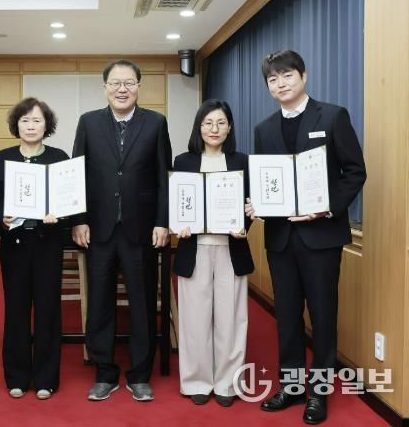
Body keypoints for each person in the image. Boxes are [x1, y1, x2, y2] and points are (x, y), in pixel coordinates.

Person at [246, 49, 366, 425]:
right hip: (280, 238)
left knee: (323, 315)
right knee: (286, 316)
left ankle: (319, 392)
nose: (281, 84)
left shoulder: (331, 116)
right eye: (273, 79)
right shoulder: (264, 128)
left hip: (321, 236)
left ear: (304, 76)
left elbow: (355, 171)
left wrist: (325, 207)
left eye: (287, 76)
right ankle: (292, 386)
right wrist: (257, 202)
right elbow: (267, 179)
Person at [72, 59, 172, 402]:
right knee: (99, 302)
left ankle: (140, 374)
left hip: (140, 230)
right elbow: (77, 174)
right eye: (115, 83)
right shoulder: (88, 122)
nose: (122, 89)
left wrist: (162, 221)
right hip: (98, 229)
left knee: (142, 303)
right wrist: (79, 219)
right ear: (105, 88)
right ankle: (104, 372)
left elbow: (163, 177)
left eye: (129, 83)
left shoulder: (155, 123)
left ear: (139, 87)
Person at [172, 99, 254, 407]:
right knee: (194, 319)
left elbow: (249, 204)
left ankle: (227, 383)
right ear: (199, 127)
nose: (214, 129)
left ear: (229, 127)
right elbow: (176, 202)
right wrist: (177, 225)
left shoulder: (242, 161)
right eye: (208, 123)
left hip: (231, 248)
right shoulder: (183, 161)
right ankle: (197, 380)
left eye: (221, 123)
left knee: (231, 319)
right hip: (194, 248)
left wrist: (246, 221)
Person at [0, 97, 69, 400]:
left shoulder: (59, 157)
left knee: (48, 309)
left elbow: (69, 198)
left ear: (46, 125)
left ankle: (47, 377)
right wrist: (0, 216)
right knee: (16, 308)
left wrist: (59, 214)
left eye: (37, 120)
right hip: (15, 244)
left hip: (48, 242)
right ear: (16, 125)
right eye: (25, 120)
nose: (31, 126)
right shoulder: (3, 158)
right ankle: (18, 376)